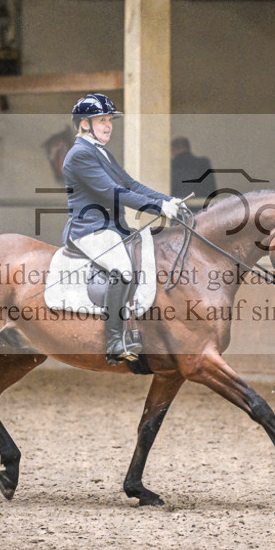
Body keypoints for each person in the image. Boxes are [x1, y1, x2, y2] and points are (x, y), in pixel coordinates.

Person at [62, 93, 182, 365]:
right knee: (122, 269)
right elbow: (112, 192)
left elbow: (132, 185)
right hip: (90, 229)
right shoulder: (80, 154)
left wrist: (166, 200)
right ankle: (115, 340)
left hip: (113, 229)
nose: (108, 126)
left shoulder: (100, 152)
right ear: (84, 124)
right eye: (101, 120)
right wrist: (156, 210)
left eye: (109, 121)